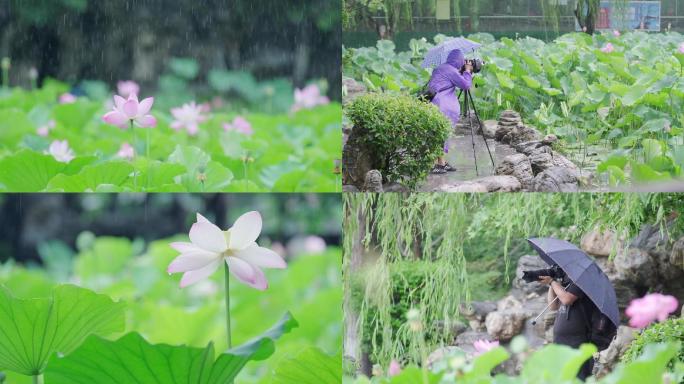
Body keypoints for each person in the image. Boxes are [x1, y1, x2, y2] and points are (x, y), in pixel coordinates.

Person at [539, 275, 594, 381]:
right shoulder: (566, 284)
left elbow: (567, 299)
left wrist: (552, 281)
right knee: (562, 377)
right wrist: (552, 284)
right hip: (560, 341)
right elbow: (552, 306)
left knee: (578, 377)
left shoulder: (581, 281)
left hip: (577, 341)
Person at [427, 49, 473, 174]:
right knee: (441, 134)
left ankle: (441, 162)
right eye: (462, 60)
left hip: (434, 103)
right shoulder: (451, 70)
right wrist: (468, 71)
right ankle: (436, 164)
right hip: (443, 106)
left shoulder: (440, 68)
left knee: (439, 133)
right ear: (459, 60)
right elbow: (465, 85)